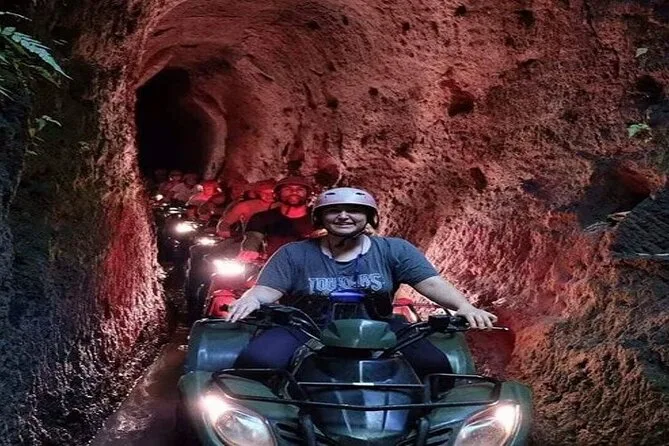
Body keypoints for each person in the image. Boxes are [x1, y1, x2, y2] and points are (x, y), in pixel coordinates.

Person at [227, 187, 498, 375]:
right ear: (319, 217)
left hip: (380, 325)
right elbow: (268, 289)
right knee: (256, 361)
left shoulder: (394, 249)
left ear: (370, 217)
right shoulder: (294, 253)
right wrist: (251, 298)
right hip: (307, 327)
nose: (343, 216)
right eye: (334, 210)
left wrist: (464, 306)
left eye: (354, 210)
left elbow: (430, 283)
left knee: (435, 366)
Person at [237, 176, 316, 260]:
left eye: (300, 189)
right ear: (278, 194)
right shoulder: (262, 218)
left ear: (308, 194)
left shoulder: (318, 217)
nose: (294, 192)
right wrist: (250, 250)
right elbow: (254, 237)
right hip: (274, 263)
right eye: (287, 189)